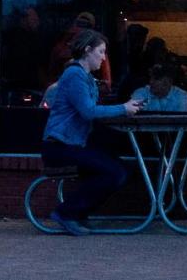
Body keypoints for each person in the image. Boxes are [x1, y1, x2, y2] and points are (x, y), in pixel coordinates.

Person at [41, 29, 143, 236]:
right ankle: (67, 213)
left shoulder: (85, 77)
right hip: (60, 146)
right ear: (87, 51)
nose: (104, 58)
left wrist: (124, 108)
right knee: (115, 171)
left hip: (73, 144)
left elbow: (91, 109)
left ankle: (78, 213)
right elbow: (88, 111)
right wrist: (124, 108)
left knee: (120, 167)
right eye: (101, 52)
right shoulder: (75, 75)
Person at [47, 12, 112, 98]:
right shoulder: (60, 48)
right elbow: (50, 77)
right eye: (79, 24)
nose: (80, 30)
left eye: (85, 26)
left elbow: (107, 85)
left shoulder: (98, 52)